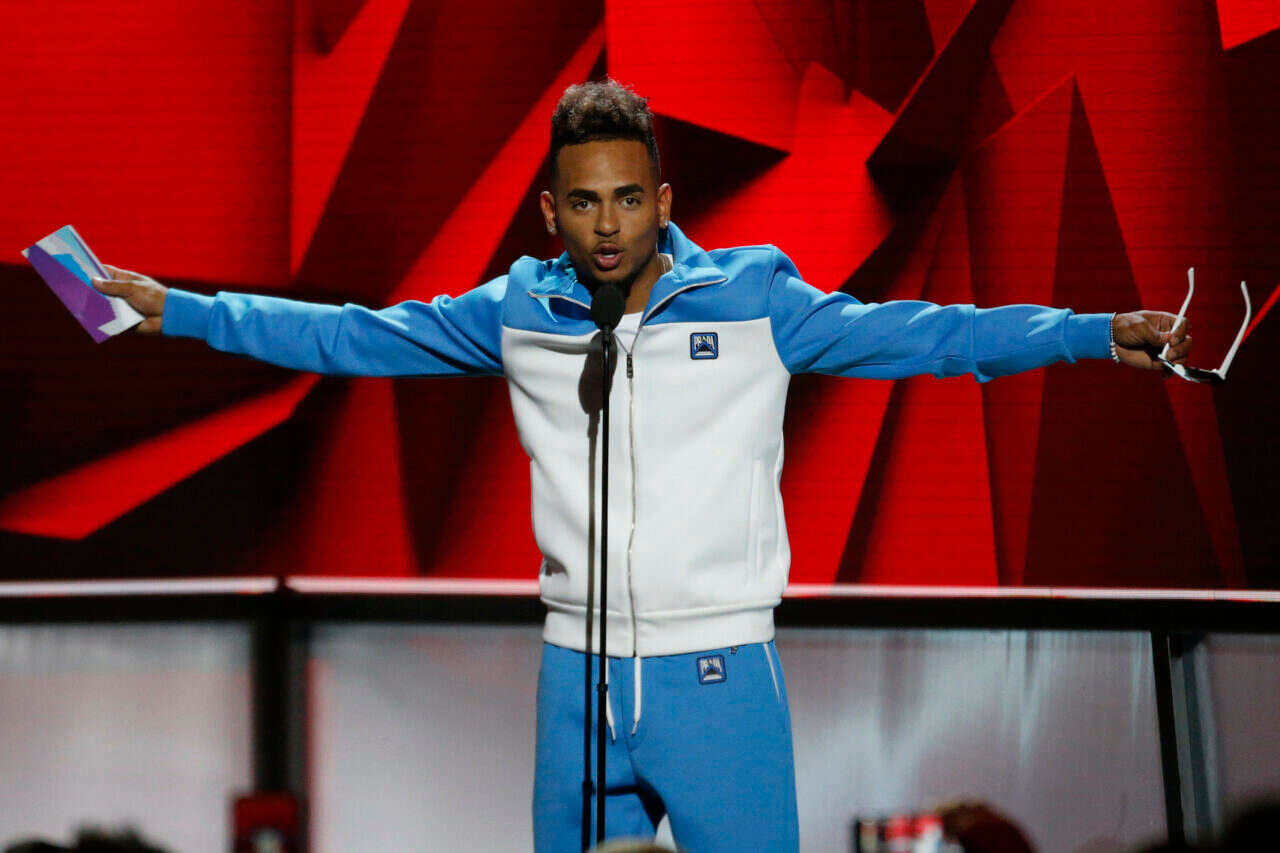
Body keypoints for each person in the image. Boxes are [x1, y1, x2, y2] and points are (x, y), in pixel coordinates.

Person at [91, 80, 1192, 852]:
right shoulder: (516, 310)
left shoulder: (753, 298)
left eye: (628, 198)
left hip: (717, 673)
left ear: (664, 202)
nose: (607, 224)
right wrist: (178, 310)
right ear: (551, 212)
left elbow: (932, 334)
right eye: (583, 202)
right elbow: (349, 337)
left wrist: (1090, 332)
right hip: (572, 676)